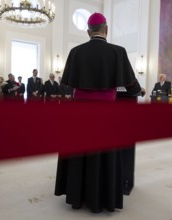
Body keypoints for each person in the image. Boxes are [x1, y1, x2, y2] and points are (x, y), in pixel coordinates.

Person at [54, 12, 145, 213]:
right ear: (106, 29)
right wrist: (140, 91)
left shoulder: (75, 52)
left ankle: (77, 198)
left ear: (88, 32)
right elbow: (131, 85)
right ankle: (101, 198)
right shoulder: (118, 52)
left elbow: (66, 86)